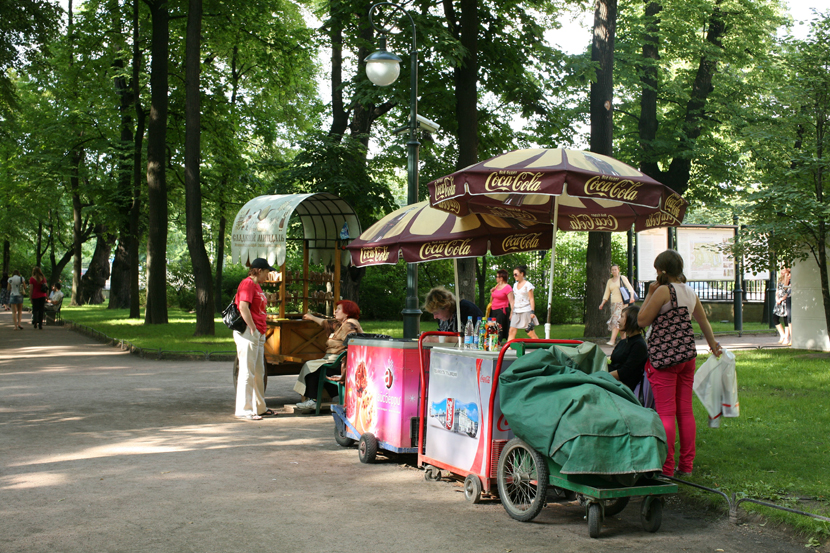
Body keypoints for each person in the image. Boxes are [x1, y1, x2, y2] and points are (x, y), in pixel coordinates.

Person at [638, 250, 723, 477]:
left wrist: (649, 294)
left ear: (662, 270)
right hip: (687, 357)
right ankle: (686, 465)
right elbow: (703, 321)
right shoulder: (690, 292)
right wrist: (713, 345)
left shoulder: (663, 291)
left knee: (666, 413)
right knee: (685, 412)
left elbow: (641, 320)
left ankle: (666, 468)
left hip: (664, 359)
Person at [293, 300, 363, 412]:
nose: (336, 311)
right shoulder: (342, 323)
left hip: (339, 363)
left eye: (339, 309)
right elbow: (326, 322)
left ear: (347, 312)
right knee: (312, 367)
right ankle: (314, 400)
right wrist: (311, 317)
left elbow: (353, 344)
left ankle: (314, 401)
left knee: (312, 368)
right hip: (333, 360)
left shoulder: (350, 325)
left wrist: (344, 364)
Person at [233, 258, 277, 420]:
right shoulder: (248, 284)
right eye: (267, 272)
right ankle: (244, 409)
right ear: (259, 270)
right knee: (247, 371)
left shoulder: (257, 285)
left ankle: (259, 407)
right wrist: (251, 327)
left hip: (257, 332)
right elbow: (243, 306)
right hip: (248, 332)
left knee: (259, 371)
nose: (268, 275)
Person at [608, 305, 648, 391]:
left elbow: (625, 373)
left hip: (621, 387)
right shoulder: (624, 342)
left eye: (622, 317)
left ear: (631, 319)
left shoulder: (638, 345)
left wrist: (602, 376)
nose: (619, 320)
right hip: (611, 380)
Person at [599, 264, 636, 346]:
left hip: (621, 303)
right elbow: (606, 294)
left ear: (618, 270)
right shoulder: (609, 281)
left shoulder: (622, 278)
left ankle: (612, 340)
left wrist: (631, 297)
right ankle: (624, 341)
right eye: (612, 270)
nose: (614, 271)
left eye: (615, 269)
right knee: (620, 322)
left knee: (616, 320)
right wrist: (602, 304)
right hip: (613, 304)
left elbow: (630, 288)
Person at [508, 265, 539, 341]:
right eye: (513, 274)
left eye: (516, 274)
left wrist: (532, 311)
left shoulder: (528, 285)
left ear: (522, 274)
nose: (514, 276)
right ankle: (508, 348)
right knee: (511, 330)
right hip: (516, 311)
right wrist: (512, 312)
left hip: (526, 310)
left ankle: (540, 346)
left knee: (530, 332)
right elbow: (515, 299)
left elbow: (531, 299)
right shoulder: (515, 285)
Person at [490, 269, 513, 342]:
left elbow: (512, 301)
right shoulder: (497, 286)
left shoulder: (508, 287)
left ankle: (497, 342)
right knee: (492, 326)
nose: (496, 278)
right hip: (493, 309)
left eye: (497, 277)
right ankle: (492, 341)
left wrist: (512, 313)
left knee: (498, 327)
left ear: (501, 278)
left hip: (501, 310)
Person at [773, 268, 791, 345]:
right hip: (778, 301)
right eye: (781, 270)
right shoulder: (780, 279)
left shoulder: (790, 280)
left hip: (785, 301)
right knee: (774, 317)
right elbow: (777, 290)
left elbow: (786, 290)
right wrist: (777, 299)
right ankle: (782, 335)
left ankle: (787, 337)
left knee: (786, 319)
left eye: (784, 270)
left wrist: (781, 299)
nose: (782, 272)